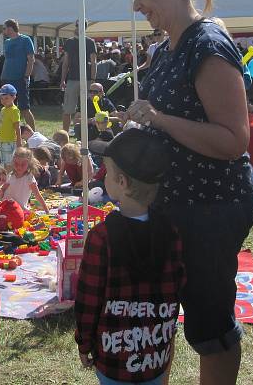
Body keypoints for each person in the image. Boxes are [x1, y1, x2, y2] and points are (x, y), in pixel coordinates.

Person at [121, 0, 253, 385]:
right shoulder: (166, 49)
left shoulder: (208, 45)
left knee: (208, 319)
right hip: (178, 203)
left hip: (212, 205)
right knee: (173, 308)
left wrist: (158, 118)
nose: (136, 5)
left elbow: (234, 141)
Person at [75, 129, 185, 385]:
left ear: (122, 182)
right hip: (157, 354)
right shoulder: (171, 231)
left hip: (113, 359)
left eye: (106, 172)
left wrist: (84, 343)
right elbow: (178, 287)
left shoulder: (102, 236)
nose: (103, 177)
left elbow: (88, 299)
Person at [61, 21, 97, 132]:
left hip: (87, 80)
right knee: (67, 109)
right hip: (72, 79)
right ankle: (65, 134)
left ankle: (87, 132)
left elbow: (94, 62)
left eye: (81, 25)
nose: (78, 27)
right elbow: (65, 62)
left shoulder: (90, 42)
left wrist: (92, 80)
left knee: (87, 108)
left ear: (85, 27)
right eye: (77, 25)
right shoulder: (69, 42)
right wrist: (62, 79)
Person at [0, 19, 36, 129]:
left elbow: (31, 59)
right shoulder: (7, 42)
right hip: (7, 78)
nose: (3, 31)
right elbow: (7, 60)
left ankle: (34, 135)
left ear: (10, 28)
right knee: (8, 107)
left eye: (4, 28)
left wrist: (26, 76)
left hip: (20, 78)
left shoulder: (25, 40)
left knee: (24, 108)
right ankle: (12, 133)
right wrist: (2, 76)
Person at [0, 146, 49, 212]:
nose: (19, 167)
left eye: (23, 164)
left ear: (29, 164)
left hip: (20, 210)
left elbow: (37, 195)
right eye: (16, 164)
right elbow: (2, 189)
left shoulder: (29, 177)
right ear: (12, 162)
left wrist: (46, 210)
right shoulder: (11, 175)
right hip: (5, 207)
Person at [0, 83, 22, 165]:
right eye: (1, 98)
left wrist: (19, 141)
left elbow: (17, 127)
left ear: (14, 97)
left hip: (9, 141)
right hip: (3, 140)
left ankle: (8, 176)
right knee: (3, 161)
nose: (3, 101)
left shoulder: (14, 110)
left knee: (8, 163)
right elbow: (2, 125)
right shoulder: (3, 109)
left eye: (6, 98)